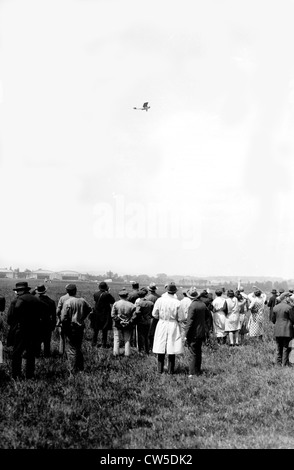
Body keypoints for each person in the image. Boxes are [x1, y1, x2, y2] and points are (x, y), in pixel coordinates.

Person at [7, 281, 44, 379]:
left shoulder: (16, 301)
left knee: (17, 354)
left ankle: (16, 375)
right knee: (30, 354)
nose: (17, 293)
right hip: (34, 330)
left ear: (21, 291)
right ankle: (30, 375)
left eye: (18, 291)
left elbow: (10, 318)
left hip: (21, 330)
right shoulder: (36, 300)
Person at [152, 282, 184, 374]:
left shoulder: (160, 300)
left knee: (160, 346)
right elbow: (181, 318)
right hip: (172, 324)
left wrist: (161, 317)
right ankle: (170, 371)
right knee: (171, 347)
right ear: (174, 292)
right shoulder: (177, 302)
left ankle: (159, 370)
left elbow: (154, 314)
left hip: (162, 323)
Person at [60, 284, 92, 375]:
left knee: (71, 350)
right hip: (80, 327)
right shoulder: (82, 300)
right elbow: (90, 309)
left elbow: (63, 318)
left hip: (71, 327)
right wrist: (83, 317)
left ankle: (72, 371)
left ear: (67, 291)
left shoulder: (67, 302)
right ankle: (80, 368)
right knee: (78, 348)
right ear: (75, 291)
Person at [185, 288, 212, 377]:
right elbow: (208, 316)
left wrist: (186, 334)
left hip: (193, 332)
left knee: (192, 352)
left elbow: (190, 321)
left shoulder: (192, 306)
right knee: (198, 352)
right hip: (201, 331)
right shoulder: (203, 304)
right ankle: (198, 370)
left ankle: (192, 373)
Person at [111, 288, 136, 357]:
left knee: (116, 339)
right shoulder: (132, 305)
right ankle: (127, 354)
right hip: (128, 324)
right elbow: (134, 316)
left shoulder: (116, 304)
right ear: (127, 296)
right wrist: (128, 321)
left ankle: (115, 353)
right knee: (127, 339)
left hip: (117, 324)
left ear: (119, 296)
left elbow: (112, 315)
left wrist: (119, 320)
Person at [271, 292, 294, 366]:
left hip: (277, 330)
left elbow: (273, 320)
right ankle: (284, 364)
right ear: (285, 298)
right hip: (287, 330)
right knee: (285, 347)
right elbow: (293, 319)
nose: (289, 298)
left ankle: (278, 363)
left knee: (278, 347)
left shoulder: (275, 307)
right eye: (288, 297)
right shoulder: (289, 307)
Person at [90, 282, 115, 348]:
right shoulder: (107, 294)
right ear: (106, 287)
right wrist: (108, 292)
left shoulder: (95, 294)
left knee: (96, 329)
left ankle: (93, 343)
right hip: (105, 314)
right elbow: (112, 301)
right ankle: (104, 344)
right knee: (105, 330)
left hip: (97, 313)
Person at [35, 284, 56, 357]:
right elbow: (54, 315)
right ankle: (47, 355)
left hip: (37, 323)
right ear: (45, 291)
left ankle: (37, 355)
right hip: (47, 323)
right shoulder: (51, 301)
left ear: (38, 292)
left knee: (37, 341)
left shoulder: (35, 301)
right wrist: (53, 325)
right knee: (47, 341)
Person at [135, 288, 154, 354]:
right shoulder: (150, 303)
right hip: (148, 321)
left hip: (141, 321)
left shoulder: (139, 303)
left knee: (140, 336)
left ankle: (141, 350)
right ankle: (147, 350)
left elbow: (137, 312)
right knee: (147, 336)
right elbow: (152, 313)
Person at [56, 285, 71, 356]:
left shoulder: (62, 298)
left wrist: (59, 319)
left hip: (63, 320)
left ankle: (61, 353)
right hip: (72, 322)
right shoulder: (77, 299)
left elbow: (58, 311)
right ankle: (70, 354)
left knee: (62, 338)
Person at [145, 283, 161, 351]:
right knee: (157, 333)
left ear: (149, 290)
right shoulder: (159, 297)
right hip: (158, 317)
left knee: (149, 333)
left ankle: (150, 347)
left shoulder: (147, 298)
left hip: (149, 317)